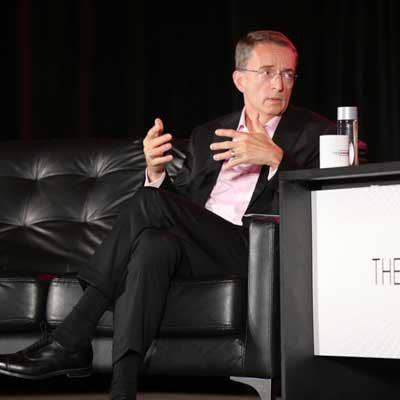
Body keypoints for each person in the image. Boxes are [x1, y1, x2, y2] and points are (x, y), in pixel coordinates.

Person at [0, 30, 333, 399]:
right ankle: (122, 389)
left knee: (149, 203)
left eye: (288, 74)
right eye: (267, 72)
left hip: (256, 252)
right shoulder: (209, 134)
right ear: (240, 79)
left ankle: (70, 338)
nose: (279, 84)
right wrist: (156, 173)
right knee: (151, 245)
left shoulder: (318, 133)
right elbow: (183, 206)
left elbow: (325, 205)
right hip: (202, 248)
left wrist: (276, 159)